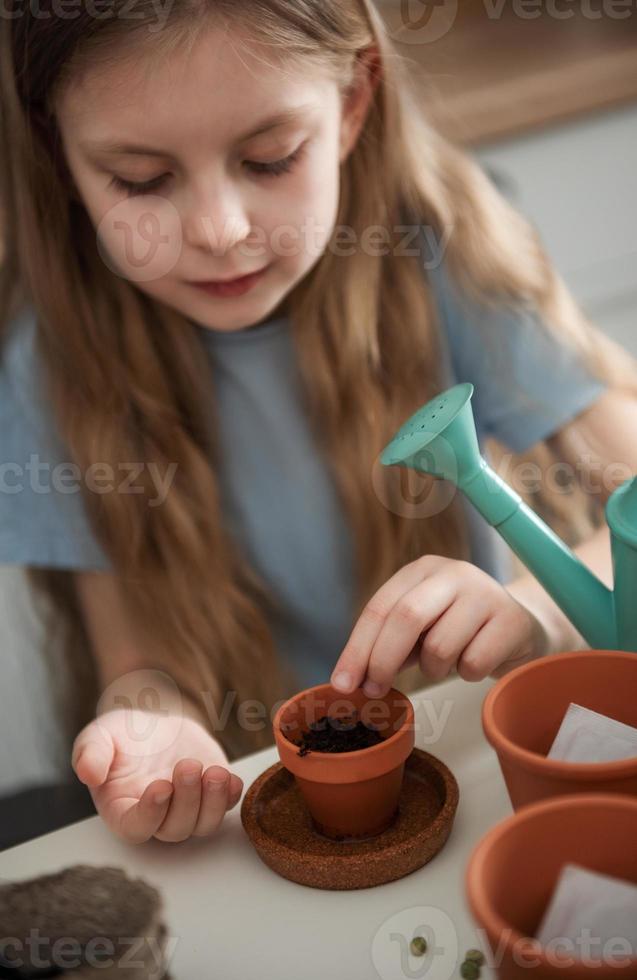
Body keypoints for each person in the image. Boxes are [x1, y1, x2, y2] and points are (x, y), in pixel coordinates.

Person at [1, 0, 636, 846]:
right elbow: (137, 664)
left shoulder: (438, 249)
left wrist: (536, 612)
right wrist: (148, 726)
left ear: (351, 103)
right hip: (259, 807)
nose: (220, 231)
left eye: (269, 159)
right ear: (57, 151)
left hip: (480, 772)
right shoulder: (53, 367)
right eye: (142, 180)